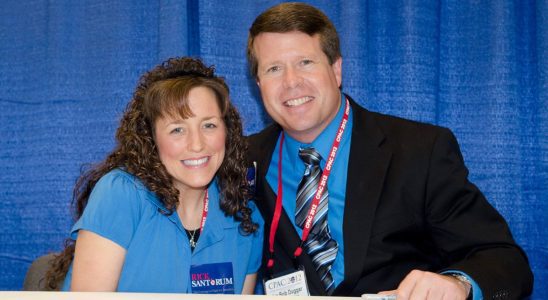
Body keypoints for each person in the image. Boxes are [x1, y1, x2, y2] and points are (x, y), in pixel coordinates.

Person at [246, 2, 533, 299]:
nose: (291, 82)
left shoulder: (419, 151)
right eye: (274, 69)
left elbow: (505, 260)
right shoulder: (242, 159)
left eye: (305, 62)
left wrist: (458, 283)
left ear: (336, 69)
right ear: (258, 83)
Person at [44, 57, 263, 294]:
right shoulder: (120, 194)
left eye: (208, 125)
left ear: (227, 131)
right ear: (151, 139)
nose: (197, 144)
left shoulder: (245, 218)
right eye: (177, 129)